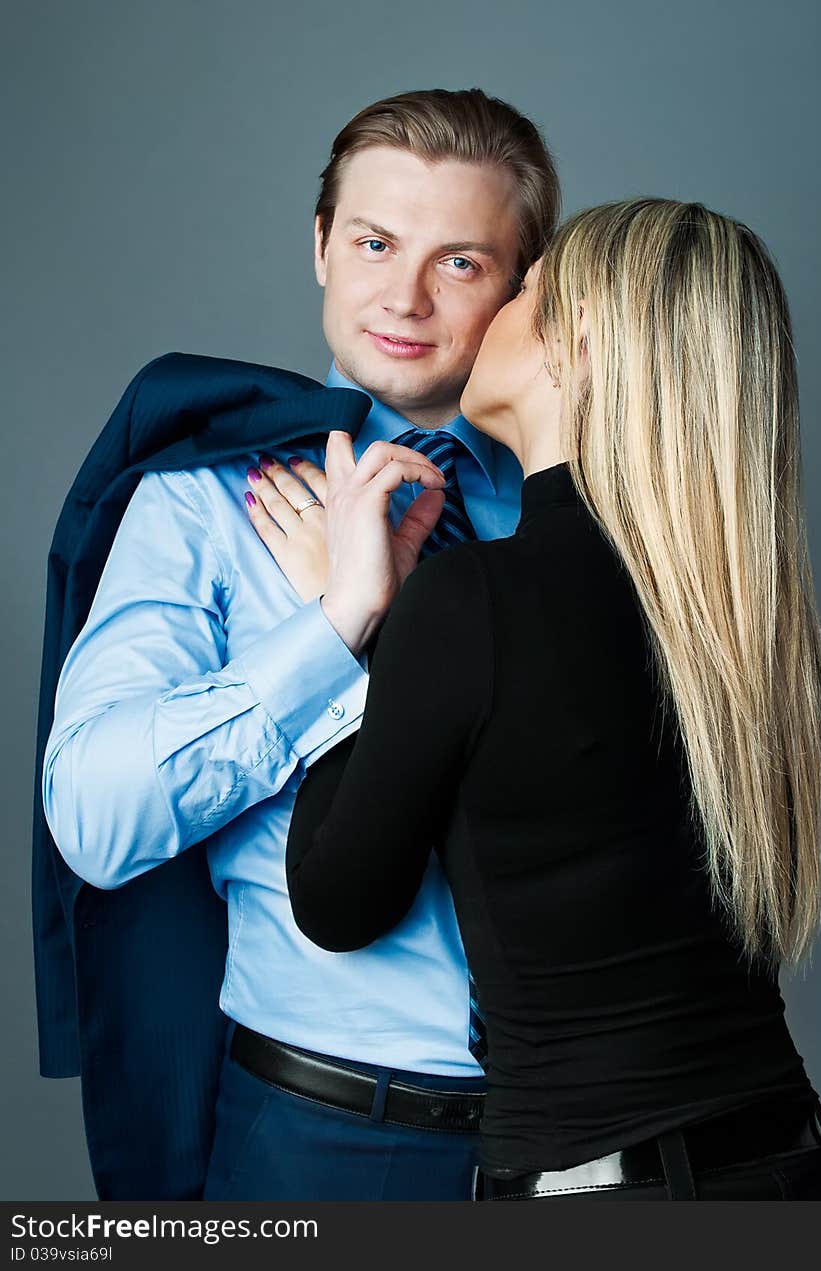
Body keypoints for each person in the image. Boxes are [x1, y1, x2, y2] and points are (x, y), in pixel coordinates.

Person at [40, 87, 560, 1201]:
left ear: (524, 287)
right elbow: (94, 817)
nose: (405, 297)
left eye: (460, 262)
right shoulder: (201, 504)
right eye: (374, 242)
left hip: (582, 1134)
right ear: (321, 246)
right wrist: (338, 629)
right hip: (329, 1137)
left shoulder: (585, 513)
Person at [280, 198, 821, 1200]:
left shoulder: (474, 602)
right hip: (782, 1150)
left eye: (527, 287)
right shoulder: (737, 610)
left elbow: (336, 900)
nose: (491, 305)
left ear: (575, 340)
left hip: (599, 1184)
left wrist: (349, 620)